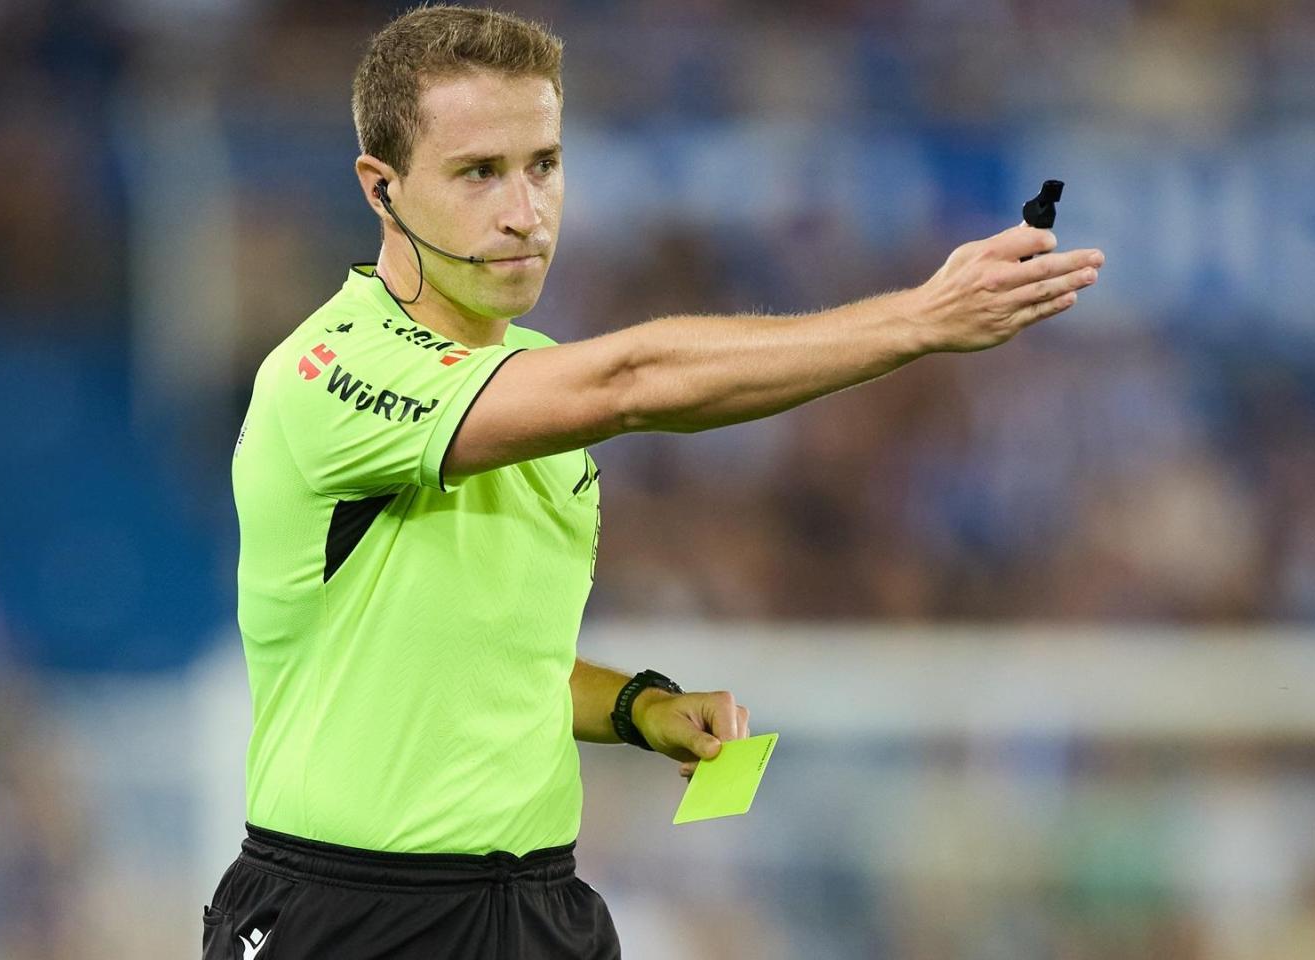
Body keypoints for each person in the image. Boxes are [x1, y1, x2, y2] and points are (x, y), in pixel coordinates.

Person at [205, 6, 1104, 958]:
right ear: (381, 189)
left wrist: (639, 708)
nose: (525, 213)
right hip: (348, 914)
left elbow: (488, 673)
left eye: (543, 165)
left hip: (536, 907)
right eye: (479, 173)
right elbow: (633, 382)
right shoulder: (332, 371)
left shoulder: (534, 385)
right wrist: (918, 319)